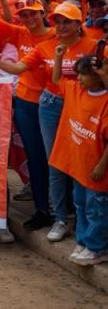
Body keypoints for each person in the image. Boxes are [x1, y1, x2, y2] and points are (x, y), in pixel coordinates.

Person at [0, 2, 98, 241]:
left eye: (67, 21)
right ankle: (59, 218)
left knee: (80, 162)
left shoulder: (92, 46)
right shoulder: (46, 47)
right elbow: (20, 67)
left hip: (81, 107)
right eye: (58, 21)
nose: (61, 26)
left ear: (78, 23)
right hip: (50, 105)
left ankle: (81, 217)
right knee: (55, 162)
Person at [0, 0, 58, 231]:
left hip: (54, 105)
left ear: (43, 13)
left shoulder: (57, 36)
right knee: (35, 157)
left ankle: (63, 209)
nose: (29, 18)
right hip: (26, 105)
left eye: (33, 13)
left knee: (56, 158)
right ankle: (42, 209)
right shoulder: (19, 33)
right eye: (24, 15)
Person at [49, 53, 108, 266]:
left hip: (96, 170)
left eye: (85, 74)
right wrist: (58, 58)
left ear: (98, 76)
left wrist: (101, 165)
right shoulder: (75, 90)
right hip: (79, 166)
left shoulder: (105, 101)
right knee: (81, 204)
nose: (79, 78)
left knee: (96, 209)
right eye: (79, 74)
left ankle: (98, 248)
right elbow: (57, 79)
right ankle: (83, 241)